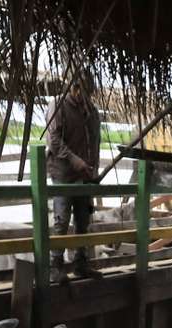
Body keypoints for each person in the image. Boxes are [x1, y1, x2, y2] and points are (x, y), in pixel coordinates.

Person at [45, 70, 102, 279]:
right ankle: (55, 267)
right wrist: (76, 161)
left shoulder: (92, 112)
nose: (87, 98)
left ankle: (81, 263)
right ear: (75, 89)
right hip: (63, 172)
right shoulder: (58, 106)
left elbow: (95, 141)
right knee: (61, 219)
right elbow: (54, 140)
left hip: (84, 175)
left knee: (82, 219)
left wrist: (93, 168)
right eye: (85, 93)